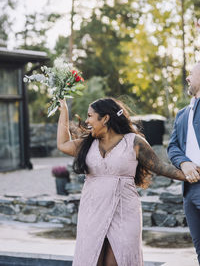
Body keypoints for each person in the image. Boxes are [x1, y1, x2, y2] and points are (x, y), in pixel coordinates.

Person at [57, 97, 188, 266]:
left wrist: (188, 175)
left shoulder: (134, 142)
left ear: (105, 118)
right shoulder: (87, 144)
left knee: (119, 260)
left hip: (124, 211)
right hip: (92, 210)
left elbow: (160, 167)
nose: (87, 120)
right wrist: (64, 112)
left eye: (90, 116)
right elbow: (63, 144)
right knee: (91, 259)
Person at [168, 62, 200, 265]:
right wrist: (184, 163)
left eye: (191, 73)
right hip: (189, 191)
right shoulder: (182, 114)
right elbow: (172, 147)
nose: (187, 78)